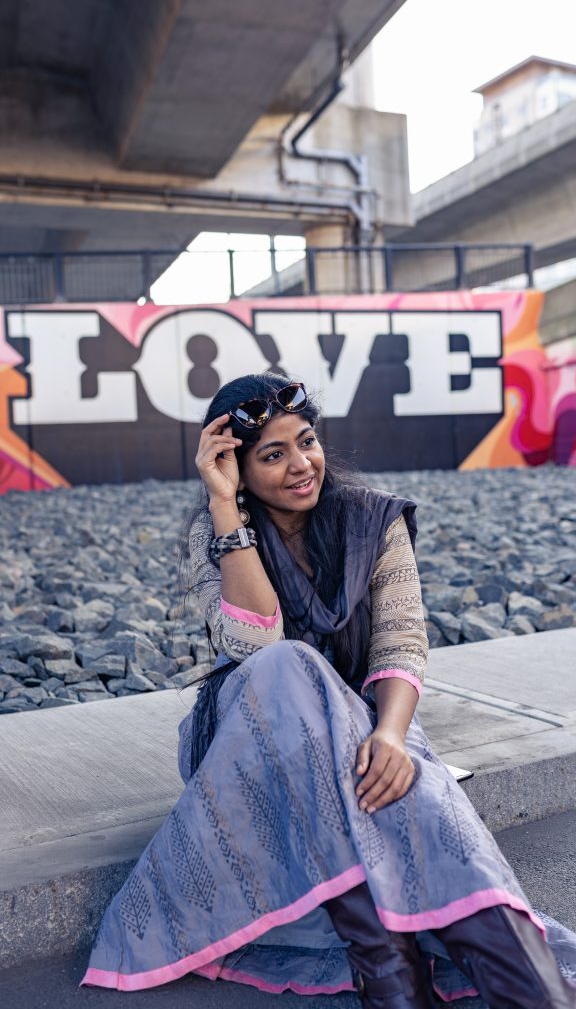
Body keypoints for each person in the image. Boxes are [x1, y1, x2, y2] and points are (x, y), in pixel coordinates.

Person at [82, 372, 576, 1007]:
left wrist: (394, 734)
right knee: (291, 666)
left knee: (403, 778)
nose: (300, 465)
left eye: (306, 442)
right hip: (252, 734)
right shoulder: (216, 533)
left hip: (368, 717)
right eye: (272, 454)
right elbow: (257, 649)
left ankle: (432, 982)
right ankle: (430, 970)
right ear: (235, 464)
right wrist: (224, 506)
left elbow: (401, 641)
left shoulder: (372, 520)